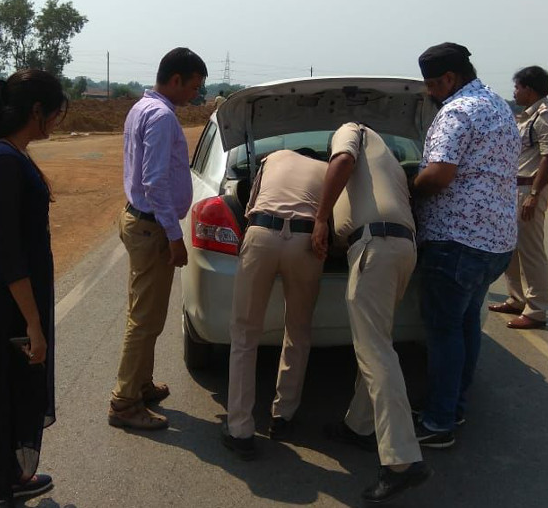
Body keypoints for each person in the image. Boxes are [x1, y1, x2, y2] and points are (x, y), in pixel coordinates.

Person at [0, 69, 67, 507]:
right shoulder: (3, 160)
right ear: (36, 111)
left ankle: (9, 478)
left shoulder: (11, 154)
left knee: (11, 392)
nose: (57, 123)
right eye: (55, 114)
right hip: (3, 300)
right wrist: (33, 322)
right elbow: (8, 252)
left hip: (10, 296)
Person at [311, 123, 430, 503]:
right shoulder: (390, 159)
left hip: (374, 248)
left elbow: (343, 159)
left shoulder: (351, 129)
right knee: (377, 341)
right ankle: (359, 425)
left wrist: (319, 218)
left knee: (376, 353)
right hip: (402, 249)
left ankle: (402, 462)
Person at [411, 43, 519, 448]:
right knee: (465, 324)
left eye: (432, 85)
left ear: (449, 80)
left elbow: (438, 175)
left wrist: (408, 190)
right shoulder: (498, 107)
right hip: (495, 244)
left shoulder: (456, 111)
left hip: (456, 243)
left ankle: (439, 423)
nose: (430, 93)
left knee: (444, 332)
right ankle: (453, 405)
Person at [109, 47, 208, 430]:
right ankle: (124, 402)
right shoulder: (163, 116)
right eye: (194, 87)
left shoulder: (141, 108)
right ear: (176, 79)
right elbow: (154, 181)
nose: (194, 96)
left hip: (138, 220)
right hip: (151, 226)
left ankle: (141, 383)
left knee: (145, 312)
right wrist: (174, 236)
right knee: (145, 319)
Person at [221, 147, 327, 460]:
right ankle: (283, 416)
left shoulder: (272, 158)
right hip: (306, 241)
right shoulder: (327, 171)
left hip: (261, 233)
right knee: (297, 330)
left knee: (244, 335)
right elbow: (333, 224)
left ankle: (240, 429)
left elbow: (249, 207)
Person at [490, 66, 548, 329]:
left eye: (518, 87)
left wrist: (534, 194)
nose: (515, 92)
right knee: (511, 247)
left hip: (528, 188)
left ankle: (536, 310)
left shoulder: (546, 117)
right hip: (514, 188)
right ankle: (517, 298)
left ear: (529, 90)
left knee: (531, 250)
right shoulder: (525, 118)